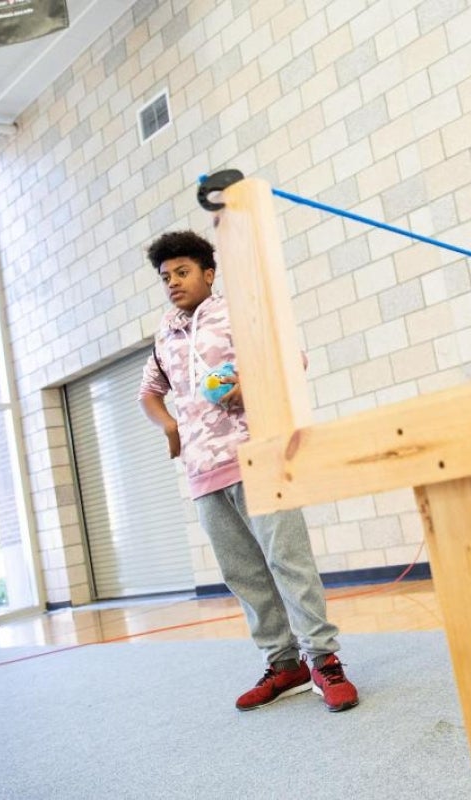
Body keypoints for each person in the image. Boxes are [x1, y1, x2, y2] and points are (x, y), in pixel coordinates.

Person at [138, 230, 358, 713]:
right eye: (165, 277)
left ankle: (323, 659)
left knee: (288, 561)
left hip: (257, 458)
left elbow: (291, 359)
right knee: (244, 573)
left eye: (183, 272)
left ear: (208, 273)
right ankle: (284, 663)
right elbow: (148, 392)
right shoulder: (165, 332)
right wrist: (171, 426)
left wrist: (249, 386)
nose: (173, 282)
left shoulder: (236, 313)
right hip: (202, 472)